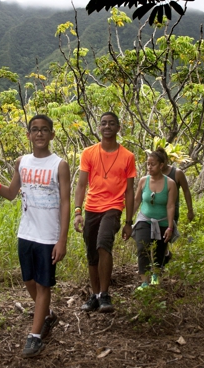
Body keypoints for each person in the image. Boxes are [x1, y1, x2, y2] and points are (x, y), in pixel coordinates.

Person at [0, 115, 70, 358]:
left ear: (52, 135)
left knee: (43, 284)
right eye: (35, 130)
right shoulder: (22, 162)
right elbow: (10, 193)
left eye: (44, 130)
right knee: (28, 280)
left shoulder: (59, 164)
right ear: (28, 135)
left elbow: (66, 203)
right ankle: (47, 316)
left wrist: (62, 240)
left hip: (48, 236)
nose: (39, 134)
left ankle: (35, 336)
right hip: (26, 233)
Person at [74, 112, 136, 313]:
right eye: (103, 123)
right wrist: (77, 212)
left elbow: (130, 190)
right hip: (91, 207)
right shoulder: (89, 153)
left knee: (103, 244)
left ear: (118, 128)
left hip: (114, 207)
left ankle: (104, 294)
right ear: (99, 128)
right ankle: (94, 295)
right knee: (92, 252)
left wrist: (128, 221)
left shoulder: (128, 156)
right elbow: (81, 184)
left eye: (111, 123)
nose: (107, 126)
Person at [132, 148, 177, 289]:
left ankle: (155, 276)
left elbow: (170, 206)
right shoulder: (143, 181)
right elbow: (136, 201)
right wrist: (128, 221)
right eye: (148, 164)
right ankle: (144, 282)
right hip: (144, 219)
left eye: (153, 164)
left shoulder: (170, 184)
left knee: (159, 251)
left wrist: (170, 227)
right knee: (142, 248)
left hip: (162, 221)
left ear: (161, 165)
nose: (149, 167)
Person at [160, 147, 194, 264]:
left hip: (171, 210)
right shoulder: (153, 172)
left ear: (167, 160)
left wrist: (190, 210)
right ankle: (163, 257)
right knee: (155, 238)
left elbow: (186, 191)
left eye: (163, 161)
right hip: (156, 210)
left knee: (165, 238)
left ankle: (161, 262)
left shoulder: (177, 173)